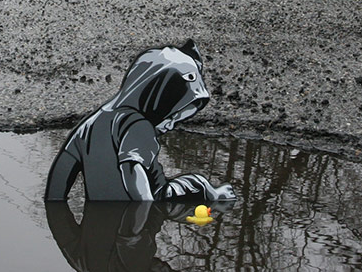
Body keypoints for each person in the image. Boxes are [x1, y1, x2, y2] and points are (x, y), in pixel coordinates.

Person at [43, 39, 236, 202]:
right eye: (171, 117)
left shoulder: (89, 125)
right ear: (157, 101)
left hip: (98, 225)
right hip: (148, 208)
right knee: (197, 183)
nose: (170, 126)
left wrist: (72, 242)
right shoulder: (138, 126)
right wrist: (143, 220)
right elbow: (133, 173)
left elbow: (60, 177)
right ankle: (214, 194)